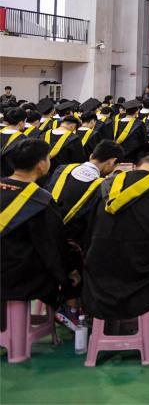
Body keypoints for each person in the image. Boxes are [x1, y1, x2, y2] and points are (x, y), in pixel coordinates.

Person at [81, 148, 149, 321]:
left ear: (135, 166)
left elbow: (90, 229)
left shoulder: (107, 184)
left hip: (100, 272)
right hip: (145, 273)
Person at [0, 138, 73, 326]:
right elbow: (52, 248)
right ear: (41, 165)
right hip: (15, 279)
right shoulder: (40, 200)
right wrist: (67, 280)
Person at [47, 140, 124, 250]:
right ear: (112, 161)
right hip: (69, 246)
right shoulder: (104, 187)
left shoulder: (62, 169)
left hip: (43, 233)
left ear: (91, 155)